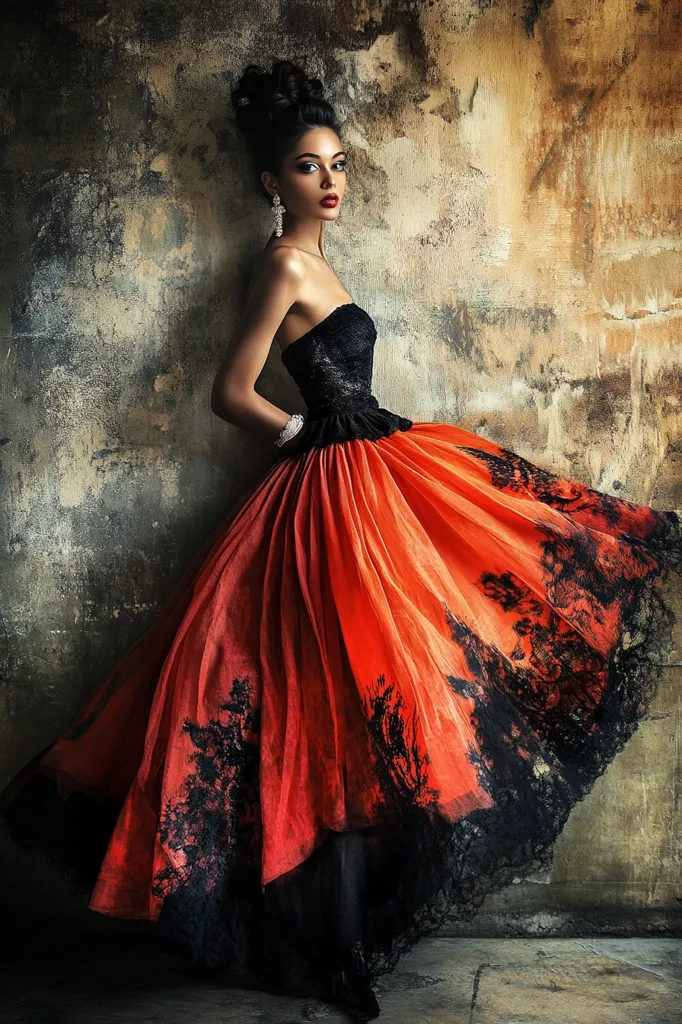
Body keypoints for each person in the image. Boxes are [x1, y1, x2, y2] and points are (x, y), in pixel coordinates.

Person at [2, 59, 681, 1023]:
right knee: (325, 698)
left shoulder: (323, 264)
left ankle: (339, 936)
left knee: (393, 681)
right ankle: (319, 939)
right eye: (309, 166)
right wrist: (301, 436)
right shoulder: (283, 262)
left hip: (372, 462)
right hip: (327, 487)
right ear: (269, 184)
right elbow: (230, 394)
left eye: (339, 164)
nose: (331, 180)